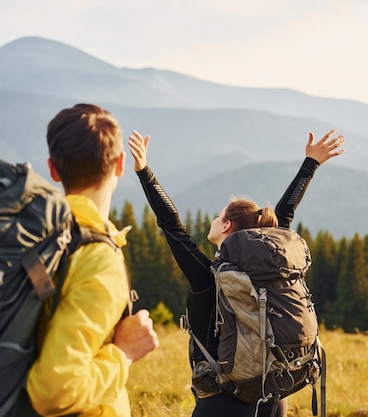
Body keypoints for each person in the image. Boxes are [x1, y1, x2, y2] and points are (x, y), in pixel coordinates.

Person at [128, 129, 345, 417]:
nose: (214, 219)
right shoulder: (268, 272)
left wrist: (144, 172)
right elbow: (285, 213)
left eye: (219, 216)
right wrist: (310, 163)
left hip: (223, 401)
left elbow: (172, 225)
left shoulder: (209, 279)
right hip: (274, 395)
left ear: (227, 226)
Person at [25, 104, 160, 416]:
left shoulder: (38, 236)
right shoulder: (97, 259)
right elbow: (55, 390)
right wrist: (124, 354)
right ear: (120, 164)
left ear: (53, 169)